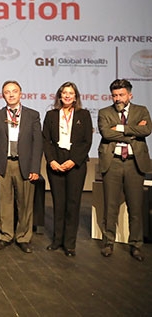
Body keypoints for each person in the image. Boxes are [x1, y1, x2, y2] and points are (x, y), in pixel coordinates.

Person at [97, 79, 151, 262]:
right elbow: (106, 133)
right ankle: (108, 242)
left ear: (130, 95)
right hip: (112, 162)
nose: (117, 98)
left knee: (135, 207)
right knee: (110, 206)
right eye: (114, 95)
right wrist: (133, 133)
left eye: (121, 95)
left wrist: (120, 128)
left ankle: (136, 245)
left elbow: (147, 130)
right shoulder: (105, 112)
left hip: (134, 163)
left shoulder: (141, 110)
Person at [0, 80, 43, 254]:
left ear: (21, 94)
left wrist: (35, 168)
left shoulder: (32, 115)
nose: (11, 94)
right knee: (4, 203)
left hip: (24, 165)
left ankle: (23, 238)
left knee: (25, 204)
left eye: (14, 91)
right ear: (3, 95)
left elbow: (37, 144)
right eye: (7, 92)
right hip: (3, 164)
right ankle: (5, 236)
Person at [42, 82, 93, 257]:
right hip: (56, 162)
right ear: (59, 95)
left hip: (76, 163)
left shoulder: (84, 115)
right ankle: (57, 240)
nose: (67, 96)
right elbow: (46, 140)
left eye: (71, 93)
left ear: (75, 96)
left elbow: (87, 141)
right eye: (64, 93)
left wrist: (73, 160)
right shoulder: (51, 115)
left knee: (73, 203)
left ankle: (70, 244)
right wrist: (51, 160)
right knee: (58, 203)